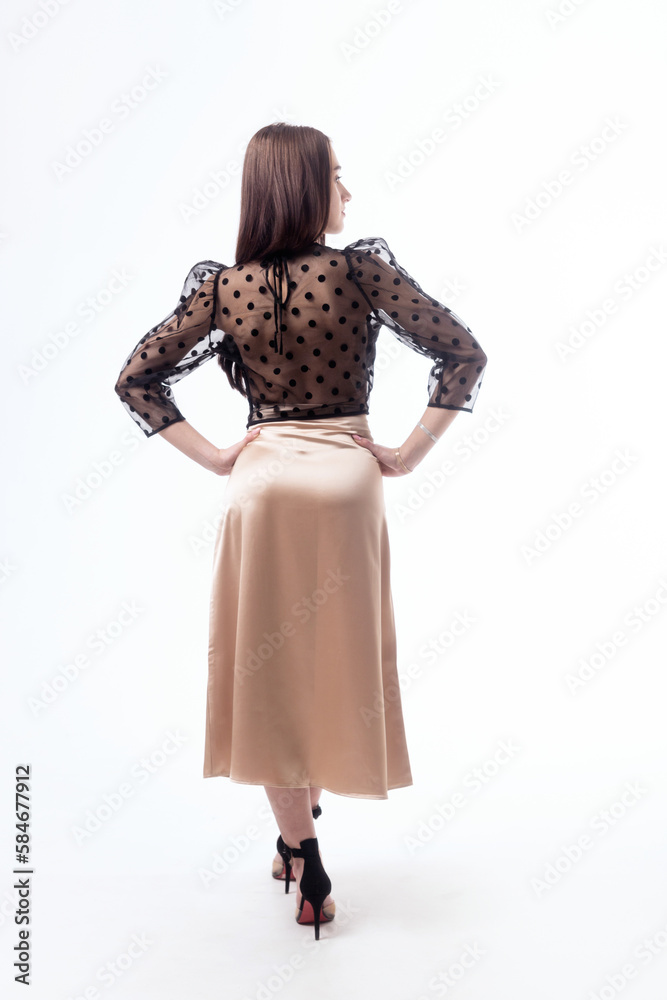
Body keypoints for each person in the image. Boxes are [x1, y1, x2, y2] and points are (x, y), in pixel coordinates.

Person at [113, 122, 488, 939]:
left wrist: (217, 457)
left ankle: (301, 856)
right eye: (338, 176)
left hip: (265, 481)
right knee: (336, 653)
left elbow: (136, 377)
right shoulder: (361, 273)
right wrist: (406, 454)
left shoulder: (227, 288)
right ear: (307, 187)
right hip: (349, 475)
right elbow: (461, 353)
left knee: (269, 665)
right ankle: (313, 808)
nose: (348, 191)